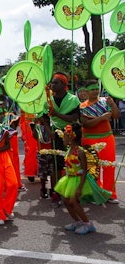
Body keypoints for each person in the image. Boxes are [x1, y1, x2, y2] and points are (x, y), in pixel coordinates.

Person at [54, 123, 108, 234]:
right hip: (69, 179)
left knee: (74, 201)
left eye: (65, 136)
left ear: (71, 137)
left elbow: (84, 171)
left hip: (78, 180)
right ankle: (78, 222)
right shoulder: (69, 150)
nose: (63, 139)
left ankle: (88, 224)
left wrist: (79, 187)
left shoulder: (80, 152)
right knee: (65, 200)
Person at [80, 80, 120, 204]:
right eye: (92, 89)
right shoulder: (83, 106)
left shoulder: (105, 102)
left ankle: (110, 194)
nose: (95, 91)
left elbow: (116, 116)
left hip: (107, 138)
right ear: (86, 91)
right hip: (90, 138)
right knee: (93, 168)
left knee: (109, 166)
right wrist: (101, 118)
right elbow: (86, 124)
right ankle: (95, 193)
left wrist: (113, 105)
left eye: (97, 88)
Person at [48, 72, 80, 208]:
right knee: (55, 165)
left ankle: (71, 192)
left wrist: (57, 114)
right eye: (52, 83)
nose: (52, 85)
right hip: (54, 134)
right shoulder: (47, 98)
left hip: (70, 134)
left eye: (55, 83)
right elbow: (43, 117)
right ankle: (56, 193)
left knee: (71, 164)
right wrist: (48, 130)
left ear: (63, 84)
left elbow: (74, 118)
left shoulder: (73, 99)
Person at [31, 112, 54, 199]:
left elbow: (51, 136)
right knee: (42, 173)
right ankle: (43, 189)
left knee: (52, 172)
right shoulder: (38, 127)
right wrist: (36, 124)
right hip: (42, 152)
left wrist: (45, 124)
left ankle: (52, 189)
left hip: (52, 152)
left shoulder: (52, 127)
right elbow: (35, 136)